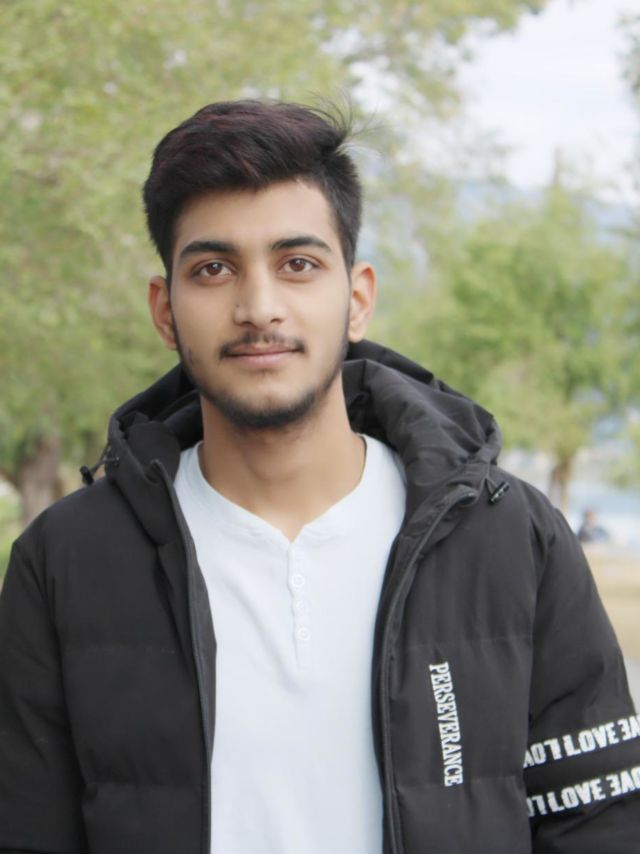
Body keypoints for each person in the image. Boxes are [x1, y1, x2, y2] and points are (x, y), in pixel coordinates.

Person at [0, 100, 638, 854]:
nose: (258, 307)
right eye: (213, 269)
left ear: (357, 298)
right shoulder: (66, 560)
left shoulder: (511, 538)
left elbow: (599, 827)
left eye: (297, 264)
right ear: (165, 311)